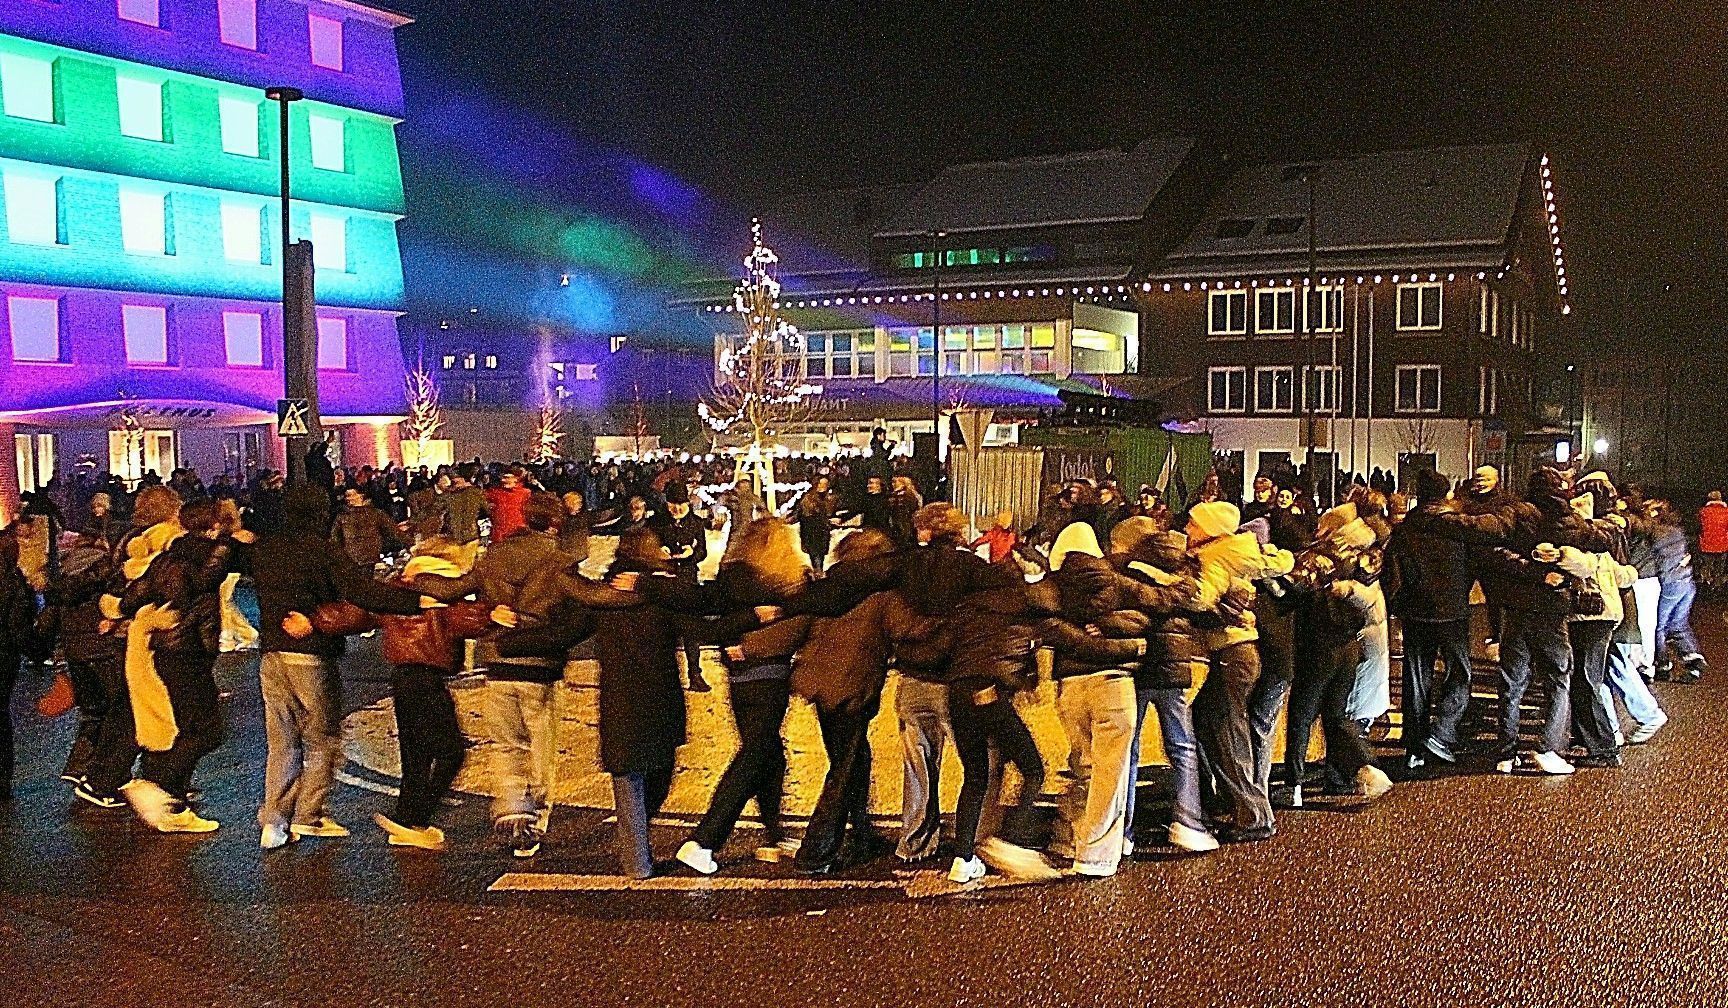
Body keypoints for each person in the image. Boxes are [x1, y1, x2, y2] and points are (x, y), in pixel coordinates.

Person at [734, 529, 910, 874]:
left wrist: (751, 646)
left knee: (856, 757)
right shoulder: (882, 594)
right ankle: (816, 851)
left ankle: (861, 832)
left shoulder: (828, 586)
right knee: (844, 767)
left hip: (821, 687)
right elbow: (907, 630)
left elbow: (795, 625)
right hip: (851, 688)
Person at [312, 539, 504, 850]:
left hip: (402, 678)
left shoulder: (396, 588)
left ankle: (408, 821)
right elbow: (464, 620)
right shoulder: (441, 591)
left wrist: (315, 617)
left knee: (416, 757)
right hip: (426, 678)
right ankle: (413, 817)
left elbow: (353, 616)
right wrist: (492, 613)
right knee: (451, 752)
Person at [671, 518, 811, 875]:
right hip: (770, 677)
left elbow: (711, 627)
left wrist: (739, 631)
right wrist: (755, 624)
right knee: (754, 755)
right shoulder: (790, 580)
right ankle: (704, 839)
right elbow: (797, 628)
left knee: (769, 753)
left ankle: (773, 834)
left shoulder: (732, 575)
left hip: (739, 680)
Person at [114, 499, 244, 833]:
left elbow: (130, 600)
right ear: (212, 525)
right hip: (188, 653)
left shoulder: (165, 559)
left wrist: (146, 614)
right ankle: (154, 787)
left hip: (169, 654)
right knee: (206, 731)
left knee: (192, 728)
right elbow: (205, 580)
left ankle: (173, 805)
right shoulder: (207, 557)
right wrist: (228, 542)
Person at [1034, 522, 1150, 878]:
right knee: (1109, 774)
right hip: (1112, 683)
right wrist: (1124, 637)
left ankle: (1069, 840)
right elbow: (1156, 606)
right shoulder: (1115, 579)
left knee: (1082, 766)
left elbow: (1042, 622)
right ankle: (1095, 856)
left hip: (1071, 688)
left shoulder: (1051, 586)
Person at [1106, 521, 1217, 855]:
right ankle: (1187, 822)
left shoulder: (1129, 577)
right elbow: (1203, 612)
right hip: (1173, 670)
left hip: (1138, 668)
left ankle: (1122, 831)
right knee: (1183, 747)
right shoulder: (1183, 581)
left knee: (1130, 751)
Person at [1186, 500, 1293, 842]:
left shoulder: (1217, 554)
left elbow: (1200, 599)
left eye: (1193, 524)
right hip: (1242, 653)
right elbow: (1281, 560)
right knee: (1205, 720)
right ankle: (1229, 802)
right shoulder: (1240, 549)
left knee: (1229, 732)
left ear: (1211, 528)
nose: (1188, 529)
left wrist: (1169, 581)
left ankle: (1254, 816)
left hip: (1232, 652)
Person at [1385, 469, 1476, 769]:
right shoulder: (1455, 527)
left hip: (1416, 611)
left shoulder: (1405, 530)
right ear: (1445, 494)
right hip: (1452, 611)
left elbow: (1392, 572)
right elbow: (1472, 565)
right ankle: (1441, 732)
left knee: (1416, 679)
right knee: (1459, 674)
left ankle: (1414, 745)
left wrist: (1397, 604)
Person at [649, 482, 710, 691]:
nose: (677, 509)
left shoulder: (696, 524)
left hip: (686, 581)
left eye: (681, 505)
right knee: (661, 632)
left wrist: (691, 554)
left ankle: (695, 674)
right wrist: (658, 552)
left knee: (690, 630)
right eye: (673, 505)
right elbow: (646, 548)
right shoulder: (656, 523)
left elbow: (703, 551)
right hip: (663, 580)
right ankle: (659, 678)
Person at [1649, 500, 1707, 682]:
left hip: (1671, 584)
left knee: (1658, 626)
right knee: (1678, 624)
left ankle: (1662, 665)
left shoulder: (1657, 534)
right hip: (1687, 582)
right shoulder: (1676, 530)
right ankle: (1694, 661)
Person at [332, 486, 403, 572]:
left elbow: (394, 531)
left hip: (370, 560)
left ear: (361, 496)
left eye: (352, 495)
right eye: (347, 496)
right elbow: (335, 539)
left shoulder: (376, 514)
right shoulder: (342, 517)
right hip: (352, 561)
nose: (349, 498)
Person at [797, 475, 840, 572]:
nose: (823, 486)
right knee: (815, 556)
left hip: (823, 532)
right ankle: (818, 573)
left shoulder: (829, 499)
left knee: (821, 556)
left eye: (825, 484)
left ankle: (818, 572)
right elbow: (808, 516)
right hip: (811, 533)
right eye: (821, 483)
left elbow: (829, 513)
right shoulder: (809, 499)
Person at [444, 466, 488, 546]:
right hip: (455, 538)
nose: (453, 480)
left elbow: (485, 515)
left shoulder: (476, 493)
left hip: (469, 538)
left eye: (456, 478)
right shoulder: (450, 495)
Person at [485, 469, 532, 543]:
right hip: (499, 533)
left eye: (507, 478)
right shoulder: (495, 492)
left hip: (518, 531)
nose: (503, 480)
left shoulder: (525, 493)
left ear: (516, 479)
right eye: (503, 477)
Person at [1698, 490, 1728, 593]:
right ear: (1720, 499)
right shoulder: (1727, 512)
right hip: (1723, 546)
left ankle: (1707, 583)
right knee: (1719, 567)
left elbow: (1699, 527)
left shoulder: (1702, 512)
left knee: (1707, 565)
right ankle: (1717, 585)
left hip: (1706, 545)